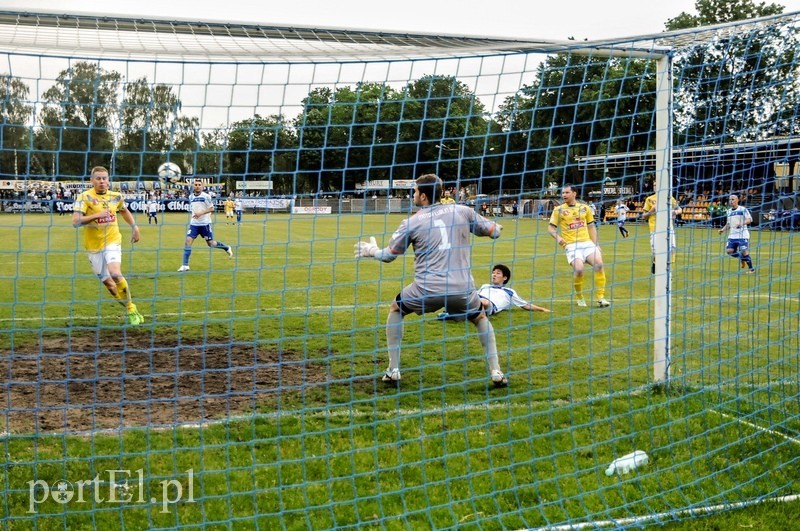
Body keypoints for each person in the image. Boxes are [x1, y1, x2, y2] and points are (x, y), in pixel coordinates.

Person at [354, 173, 508, 387]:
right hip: (462, 288)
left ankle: (393, 370)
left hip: (427, 289)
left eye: (415, 191)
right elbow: (494, 232)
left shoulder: (412, 222)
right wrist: (497, 228)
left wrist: (371, 251)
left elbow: (389, 256)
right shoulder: (462, 211)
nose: (414, 195)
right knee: (480, 318)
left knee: (396, 308)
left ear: (424, 196)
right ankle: (496, 371)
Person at [71, 166, 144, 326]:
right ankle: (130, 307)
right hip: (93, 247)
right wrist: (97, 215)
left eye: (104, 178)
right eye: (98, 178)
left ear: (108, 180)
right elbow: (75, 222)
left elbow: (124, 211)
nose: (102, 181)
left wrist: (134, 227)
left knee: (115, 273)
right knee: (111, 286)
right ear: (92, 180)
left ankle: (131, 308)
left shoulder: (116, 196)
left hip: (112, 240)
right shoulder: (84, 197)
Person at [547, 184, 610, 308]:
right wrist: (559, 238)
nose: (564, 195)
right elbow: (551, 228)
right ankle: (580, 296)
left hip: (587, 243)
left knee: (599, 264)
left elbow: (591, 227)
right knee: (579, 269)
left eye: (567, 192)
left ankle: (601, 297)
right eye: (563, 193)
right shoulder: (558, 210)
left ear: (574, 193)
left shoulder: (585, 208)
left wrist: (596, 243)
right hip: (571, 245)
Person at [438, 264, 551, 320]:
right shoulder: (485, 286)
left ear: (505, 278)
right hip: (476, 300)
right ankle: (453, 312)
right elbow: (473, 294)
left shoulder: (509, 291)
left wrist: (542, 309)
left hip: (489, 306)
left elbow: (525, 305)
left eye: (498, 273)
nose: (494, 275)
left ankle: (451, 314)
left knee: (484, 303)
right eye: (493, 272)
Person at [178, 179, 234, 272]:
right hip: (194, 224)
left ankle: (226, 247)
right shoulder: (191, 196)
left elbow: (212, 208)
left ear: (202, 186)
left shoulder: (206, 196)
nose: (197, 186)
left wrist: (201, 213)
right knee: (187, 241)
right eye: (196, 184)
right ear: (193, 186)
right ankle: (185, 265)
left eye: (199, 184)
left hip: (205, 224)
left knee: (211, 244)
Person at [641, 183, 682, 274]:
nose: (655, 186)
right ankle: (656, 264)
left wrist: (674, 212)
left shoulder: (669, 198)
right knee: (657, 251)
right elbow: (644, 216)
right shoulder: (649, 199)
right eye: (654, 185)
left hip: (668, 227)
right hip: (655, 228)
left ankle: (668, 270)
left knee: (671, 248)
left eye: (657, 184)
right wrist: (652, 210)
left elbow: (680, 209)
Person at [718, 193, 755, 274]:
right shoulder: (728, 211)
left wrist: (742, 223)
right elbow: (728, 224)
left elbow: (750, 219)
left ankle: (751, 269)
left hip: (742, 235)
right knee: (729, 251)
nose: (731, 201)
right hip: (732, 235)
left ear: (737, 200)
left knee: (744, 251)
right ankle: (742, 258)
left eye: (733, 199)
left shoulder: (743, 209)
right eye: (730, 200)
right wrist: (723, 230)